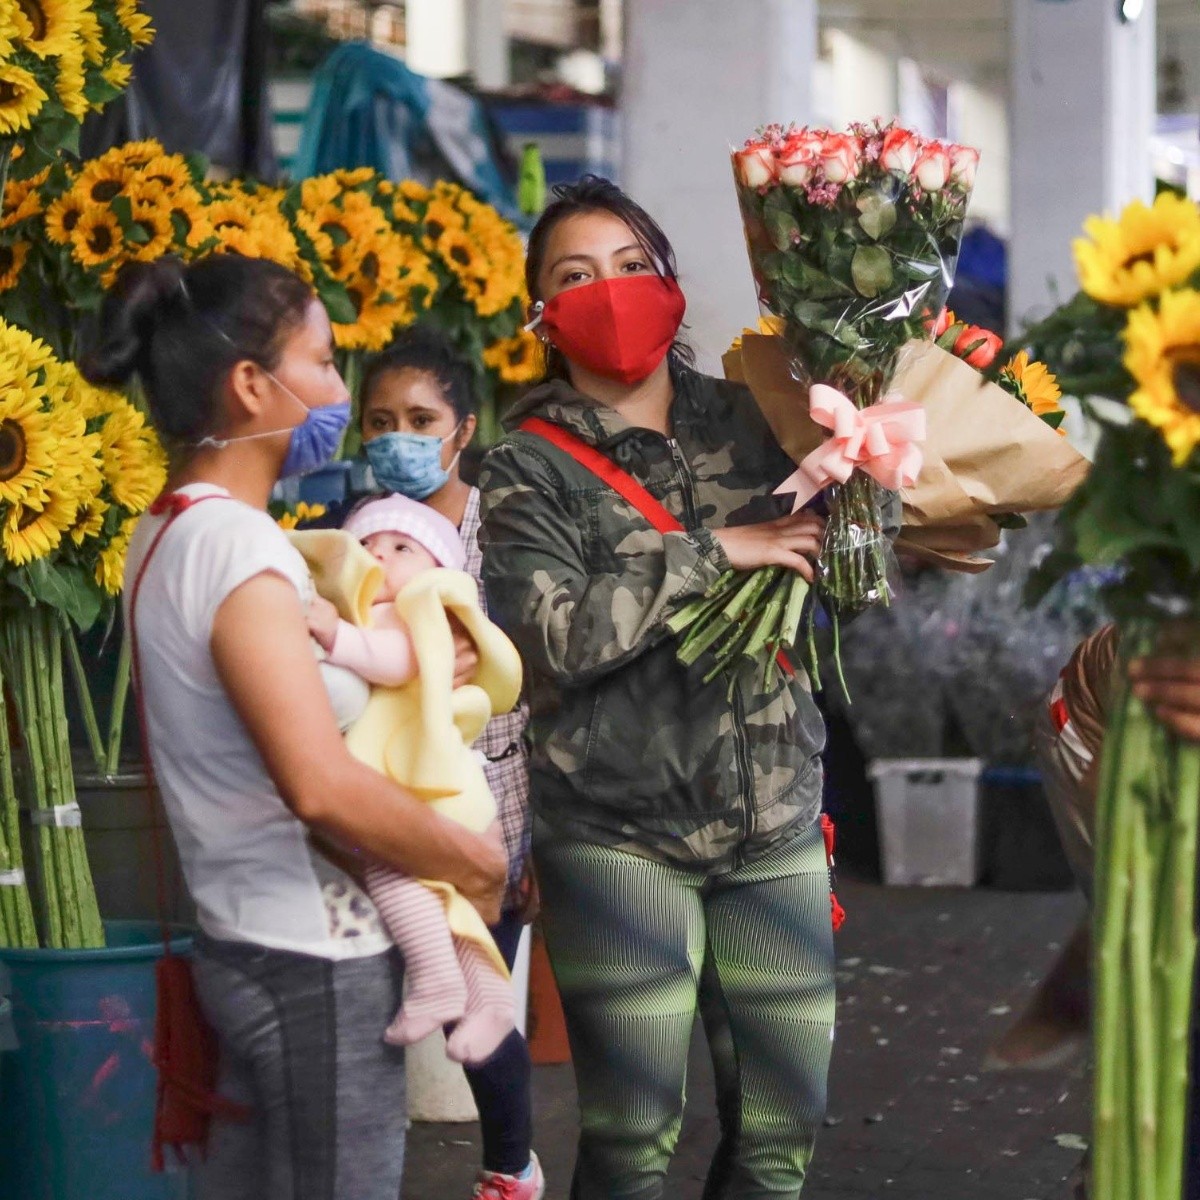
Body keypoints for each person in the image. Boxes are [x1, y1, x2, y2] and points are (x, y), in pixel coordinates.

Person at [80, 253, 506, 1200]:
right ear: (249, 385)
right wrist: (471, 864)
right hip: (315, 960)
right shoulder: (237, 547)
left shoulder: (169, 527)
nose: (335, 391)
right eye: (319, 363)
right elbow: (315, 782)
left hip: (244, 937)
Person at [478, 175, 836, 1200]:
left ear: (672, 282)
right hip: (615, 832)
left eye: (633, 266)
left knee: (782, 1134)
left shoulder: (762, 417)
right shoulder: (526, 467)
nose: (613, 289)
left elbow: (841, 584)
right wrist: (717, 552)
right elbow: (548, 635)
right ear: (544, 315)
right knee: (636, 1140)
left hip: (772, 818)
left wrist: (877, 473)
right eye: (576, 276)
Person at [354, 327, 545, 1200]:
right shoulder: (351, 538)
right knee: (395, 1000)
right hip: (380, 811)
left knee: (481, 997)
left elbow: (540, 688)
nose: (401, 435)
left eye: (421, 418)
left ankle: (511, 1166)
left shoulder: (504, 536)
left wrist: (537, 841)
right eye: (381, 419)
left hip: (490, 810)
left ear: (464, 430)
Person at [300, 494, 519, 1066]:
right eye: (367, 547)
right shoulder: (376, 609)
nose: (382, 558)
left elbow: (395, 662)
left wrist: (334, 636)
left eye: (402, 548)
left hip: (431, 786)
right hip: (435, 784)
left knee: (389, 868)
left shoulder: (417, 613)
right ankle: (490, 1002)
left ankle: (435, 978)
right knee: (450, 899)